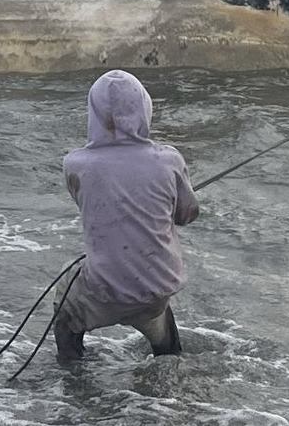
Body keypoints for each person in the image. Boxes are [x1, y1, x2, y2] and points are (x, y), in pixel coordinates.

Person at [55, 69, 199, 363]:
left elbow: (91, 205)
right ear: (144, 109)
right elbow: (187, 215)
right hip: (156, 288)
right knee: (166, 345)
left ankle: (75, 385)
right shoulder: (169, 160)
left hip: (105, 290)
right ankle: (169, 382)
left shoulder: (75, 164)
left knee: (64, 318)